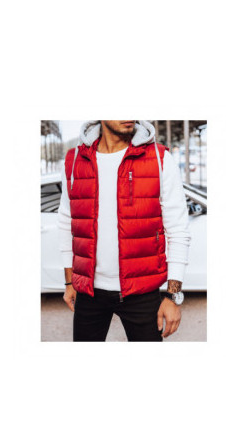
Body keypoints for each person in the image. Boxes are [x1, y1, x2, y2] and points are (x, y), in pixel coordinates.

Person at [57, 120, 191, 341]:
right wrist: (70, 282)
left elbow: (177, 229)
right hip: (88, 293)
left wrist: (173, 296)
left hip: (142, 293)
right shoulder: (75, 160)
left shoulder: (160, 158)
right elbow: (66, 221)